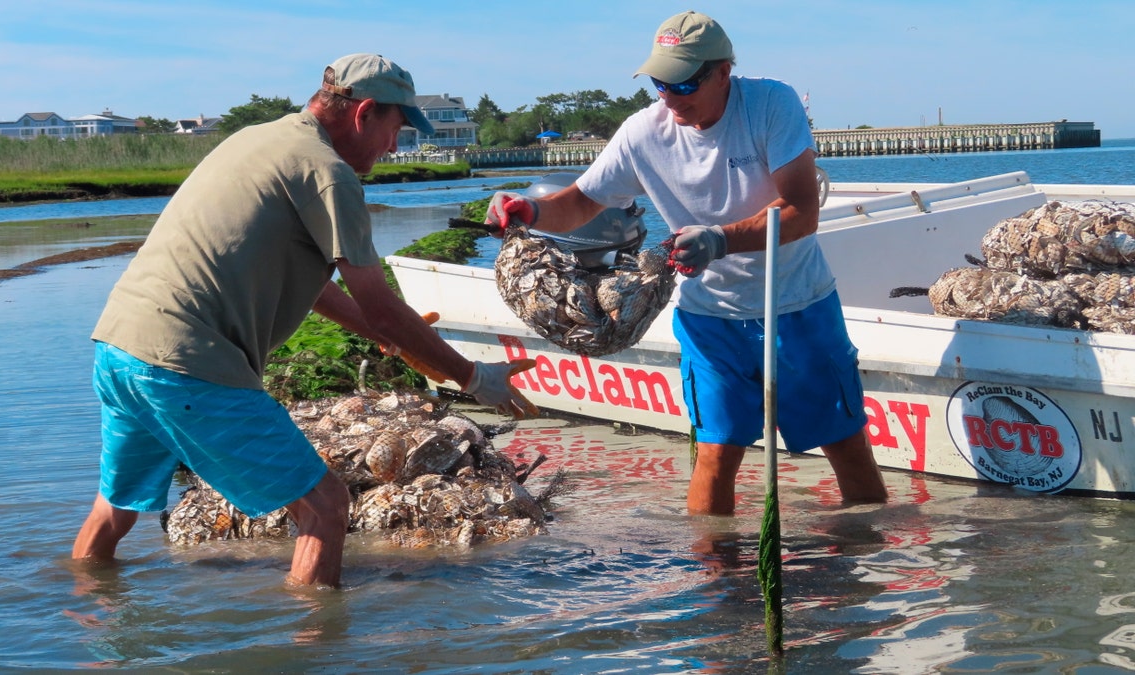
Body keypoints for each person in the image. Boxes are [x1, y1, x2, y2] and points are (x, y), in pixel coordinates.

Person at [72, 53, 537, 587]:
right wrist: (475, 378)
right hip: (189, 363)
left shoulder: (256, 139)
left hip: (119, 348)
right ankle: (314, 651)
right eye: (396, 129)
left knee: (116, 506)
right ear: (364, 113)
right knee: (325, 506)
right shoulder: (329, 173)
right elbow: (381, 302)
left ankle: (87, 622)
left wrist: (390, 339)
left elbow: (312, 284)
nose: (394, 146)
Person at [486, 12, 887, 514]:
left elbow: (802, 212)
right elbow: (583, 203)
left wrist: (720, 240)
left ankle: (864, 569)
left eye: (684, 81)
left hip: (798, 304)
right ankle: (718, 582)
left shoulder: (770, 104)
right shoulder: (642, 133)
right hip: (710, 318)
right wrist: (533, 211)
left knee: (845, 446)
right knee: (716, 455)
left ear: (723, 71)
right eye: (660, 82)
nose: (670, 96)